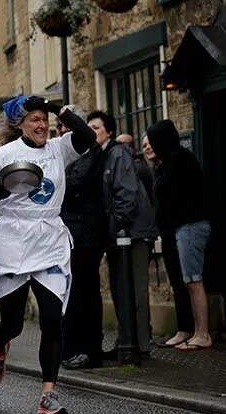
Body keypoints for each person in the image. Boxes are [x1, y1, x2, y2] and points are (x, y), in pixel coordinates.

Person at [0, 95, 96, 414]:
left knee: (52, 319)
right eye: (34, 119)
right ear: (19, 123)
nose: (41, 125)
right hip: (14, 239)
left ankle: (48, 394)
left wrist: (54, 106)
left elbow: (88, 137)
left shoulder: (58, 148)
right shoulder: (4, 155)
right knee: (13, 323)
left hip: (49, 237)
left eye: (44, 119)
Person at [88, 111, 158, 359]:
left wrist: (117, 228)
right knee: (120, 289)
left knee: (136, 289)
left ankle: (140, 346)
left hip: (133, 233)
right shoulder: (100, 156)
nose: (92, 131)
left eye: (96, 127)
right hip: (117, 234)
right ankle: (125, 341)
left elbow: (126, 193)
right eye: (89, 128)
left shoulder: (117, 153)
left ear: (108, 131)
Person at [146, 120, 212, 351]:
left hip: (190, 226)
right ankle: (195, 331)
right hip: (182, 226)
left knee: (193, 280)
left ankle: (202, 333)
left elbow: (167, 191)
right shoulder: (172, 160)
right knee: (188, 280)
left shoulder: (179, 160)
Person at [57, 107, 107, 370]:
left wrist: (52, 178)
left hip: (85, 236)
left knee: (85, 293)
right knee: (69, 294)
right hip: (67, 234)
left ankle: (89, 350)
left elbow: (74, 182)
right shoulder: (64, 154)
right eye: (59, 129)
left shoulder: (89, 150)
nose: (62, 134)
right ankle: (70, 348)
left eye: (66, 128)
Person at [141, 134, 194, 347]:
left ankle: (191, 329)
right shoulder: (156, 171)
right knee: (177, 281)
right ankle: (184, 328)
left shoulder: (174, 165)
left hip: (180, 228)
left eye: (151, 144)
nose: (147, 148)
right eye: (144, 145)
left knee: (188, 280)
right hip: (166, 232)